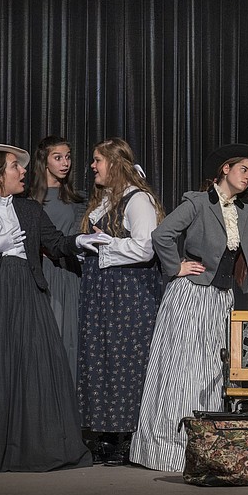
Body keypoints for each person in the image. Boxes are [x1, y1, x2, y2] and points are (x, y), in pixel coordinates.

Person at [129, 144, 248, 473]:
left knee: (209, 372)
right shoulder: (197, 202)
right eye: (243, 169)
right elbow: (162, 234)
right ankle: (167, 451)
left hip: (221, 299)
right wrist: (176, 266)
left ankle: (203, 449)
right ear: (225, 169)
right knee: (181, 371)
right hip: (191, 295)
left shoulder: (245, 214)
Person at [0, 144, 109, 473]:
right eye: (15, 166)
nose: (23, 171)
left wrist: (80, 241)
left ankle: (33, 449)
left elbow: (55, 241)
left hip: (27, 295)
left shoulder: (28, 209)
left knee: (34, 368)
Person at [77, 137, 165, 465]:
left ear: (114, 164)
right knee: (102, 359)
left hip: (129, 292)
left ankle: (128, 435)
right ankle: (105, 432)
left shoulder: (137, 200)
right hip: (103, 291)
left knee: (126, 360)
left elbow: (145, 247)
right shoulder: (103, 200)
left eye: (98, 160)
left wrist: (105, 246)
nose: (93, 166)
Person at [29, 135, 87, 384]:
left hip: (70, 274)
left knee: (70, 339)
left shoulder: (77, 199)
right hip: (41, 275)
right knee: (42, 337)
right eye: (58, 157)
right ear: (44, 161)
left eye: (68, 157)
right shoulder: (29, 201)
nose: (65, 163)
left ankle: (70, 403)